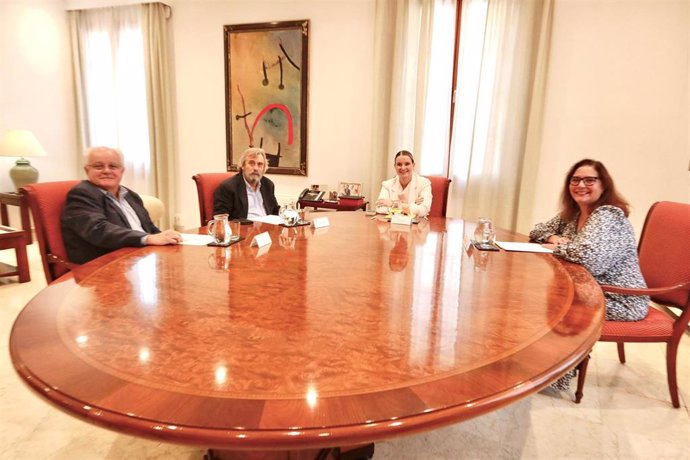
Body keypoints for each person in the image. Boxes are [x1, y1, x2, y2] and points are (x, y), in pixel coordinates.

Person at [530, 158, 649, 390]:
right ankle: (545, 364)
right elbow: (537, 229)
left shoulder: (608, 215)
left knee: (560, 305)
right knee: (544, 295)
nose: (581, 185)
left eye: (589, 180)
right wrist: (552, 237)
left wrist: (558, 248)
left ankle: (557, 374)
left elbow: (589, 259)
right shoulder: (573, 214)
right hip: (591, 289)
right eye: (575, 180)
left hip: (621, 298)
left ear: (604, 185)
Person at [62, 147, 182, 264]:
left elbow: (149, 228)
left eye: (113, 166)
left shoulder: (130, 195)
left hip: (141, 258)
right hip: (106, 265)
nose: (107, 171)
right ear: (87, 170)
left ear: (122, 171)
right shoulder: (82, 194)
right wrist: (147, 239)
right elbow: (98, 229)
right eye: (98, 166)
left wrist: (167, 237)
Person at [213, 147, 280, 219]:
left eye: (260, 164)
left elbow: (275, 211)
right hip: (244, 228)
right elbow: (221, 219)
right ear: (243, 166)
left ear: (264, 168)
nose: (256, 168)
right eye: (251, 163)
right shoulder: (228, 187)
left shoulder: (268, 185)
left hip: (268, 227)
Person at [375, 150, 432, 217]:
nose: (403, 168)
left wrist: (392, 204)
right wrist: (412, 205)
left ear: (413, 165)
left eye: (407, 164)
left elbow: (423, 210)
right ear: (395, 166)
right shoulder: (387, 184)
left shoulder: (424, 183)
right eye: (399, 164)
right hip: (392, 224)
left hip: (416, 225)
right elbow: (379, 208)